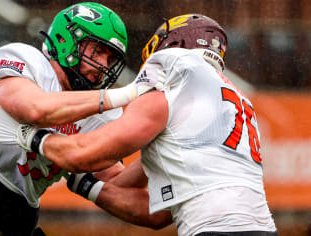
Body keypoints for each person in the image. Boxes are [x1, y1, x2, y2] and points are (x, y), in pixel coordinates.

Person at [0, 2, 165, 235]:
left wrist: (159, 136)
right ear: (67, 39)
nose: (104, 66)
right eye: (98, 52)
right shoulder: (26, 59)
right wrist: (129, 93)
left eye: (110, 59)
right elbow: (35, 109)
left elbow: (118, 186)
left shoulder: (101, 108)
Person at [17, 14, 279, 235]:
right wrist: (89, 185)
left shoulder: (177, 67)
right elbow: (147, 202)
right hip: (263, 227)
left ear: (174, 44)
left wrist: (35, 138)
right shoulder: (231, 95)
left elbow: (86, 153)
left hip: (216, 228)